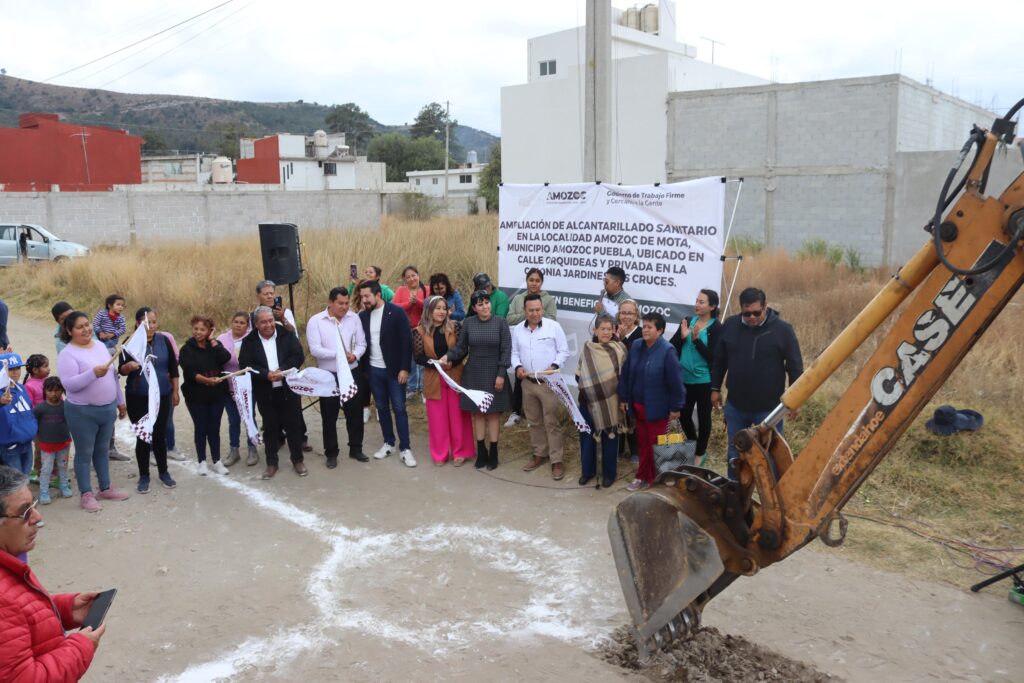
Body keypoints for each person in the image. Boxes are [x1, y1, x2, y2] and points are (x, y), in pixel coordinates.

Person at [0, 466, 105, 680]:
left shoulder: (9, 563)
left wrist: (66, 610)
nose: (37, 517)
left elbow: (18, 619)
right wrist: (79, 648)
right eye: (24, 511)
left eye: (34, 505)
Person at [711, 287, 803, 480]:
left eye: (756, 313)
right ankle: (735, 495)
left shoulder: (782, 330)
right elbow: (719, 359)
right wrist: (715, 388)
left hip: (769, 409)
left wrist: (796, 399)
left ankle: (777, 500)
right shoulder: (730, 325)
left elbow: (795, 366)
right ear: (740, 309)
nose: (751, 317)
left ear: (766, 307)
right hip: (736, 405)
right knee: (735, 454)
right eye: (747, 313)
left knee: (772, 456)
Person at [56, 311, 130, 512]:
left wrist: (120, 400)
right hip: (82, 412)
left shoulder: (99, 345)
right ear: (69, 331)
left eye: (87, 325)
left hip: (106, 410)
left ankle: (105, 488)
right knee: (84, 453)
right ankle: (86, 494)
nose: (86, 329)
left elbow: (113, 375)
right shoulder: (67, 354)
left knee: (102, 450)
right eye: (80, 327)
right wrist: (92, 374)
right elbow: (69, 385)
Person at [442, 290, 512, 470]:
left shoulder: (501, 323)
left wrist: (501, 374)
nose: (485, 306)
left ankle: (494, 452)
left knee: (493, 414)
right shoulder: (469, 323)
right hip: (473, 373)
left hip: (495, 374)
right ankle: (481, 452)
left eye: (487, 302)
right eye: (480, 304)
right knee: (479, 413)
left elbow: (506, 350)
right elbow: (461, 348)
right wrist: (448, 356)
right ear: (474, 308)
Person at [618, 312, 685, 491]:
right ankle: (642, 477)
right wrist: (624, 398)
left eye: (650, 327)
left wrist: (676, 407)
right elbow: (626, 374)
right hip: (638, 408)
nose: (645, 330)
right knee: (643, 445)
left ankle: (656, 482)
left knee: (656, 446)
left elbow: (676, 382)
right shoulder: (637, 345)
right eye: (644, 326)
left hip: (658, 409)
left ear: (660, 330)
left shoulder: (667, 350)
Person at [240, 306, 308, 479]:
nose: (268, 325)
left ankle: (297, 460)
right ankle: (272, 463)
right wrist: (266, 374)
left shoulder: (286, 334)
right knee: (270, 428)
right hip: (265, 391)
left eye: (270, 320)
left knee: (293, 426)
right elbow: (245, 364)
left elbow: (298, 356)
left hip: (288, 389)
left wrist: (282, 370)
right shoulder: (249, 341)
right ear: (256, 324)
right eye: (263, 322)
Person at [118, 308, 179, 493]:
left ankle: (164, 472)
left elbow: (173, 369)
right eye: (147, 322)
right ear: (138, 323)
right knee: (143, 437)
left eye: (153, 322)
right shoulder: (129, 343)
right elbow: (120, 370)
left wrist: (175, 391)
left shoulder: (164, 340)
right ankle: (144, 475)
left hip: (161, 396)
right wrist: (128, 366)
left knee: (160, 435)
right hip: (138, 397)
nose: (151, 326)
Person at [307, 287, 368, 469]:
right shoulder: (316, 321)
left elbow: (362, 343)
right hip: (329, 375)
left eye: (347, 303)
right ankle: (331, 453)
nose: (344, 307)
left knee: (355, 413)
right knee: (329, 415)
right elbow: (315, 349)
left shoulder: (354, 317)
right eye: (340, 303)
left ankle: (356, 448)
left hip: (351, 371)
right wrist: (340, 354)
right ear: (330, 302)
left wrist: (355, 355)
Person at [358, 281, 416, 467]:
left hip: (395, 371)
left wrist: (404, 368)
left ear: (378, 295)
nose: (364, 300)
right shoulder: (362, 317)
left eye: (367, 296)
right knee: (381, 408)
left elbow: (407, 342)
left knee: (399, 408)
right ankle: (388, 443)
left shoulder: (396, 312)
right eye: (361, 296)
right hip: (374, 372)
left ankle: (405, 448)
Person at [511, 294, 570, 480]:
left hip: (548, 384)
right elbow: (514, 353)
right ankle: (539, 454)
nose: (535, 313)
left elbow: (563, 351)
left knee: (551, 422)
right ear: (524, 311)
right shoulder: (518, 329)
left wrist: (553, 367)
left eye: (538, 309)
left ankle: (556, 460)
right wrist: (518, 367)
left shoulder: (554, 327)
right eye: (531, 310)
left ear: (542, 310)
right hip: (527, 384)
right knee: (534, 421)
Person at [414, 296, 474, 466]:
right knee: (437, 417)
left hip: (455, 374)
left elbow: (462, 349)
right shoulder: (419, 331)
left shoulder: (455, 327)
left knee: (458, 415)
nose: (441, 312)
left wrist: (451, 362)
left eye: (444, 308)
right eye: (437, 308)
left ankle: (459, 452)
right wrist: (437, 364)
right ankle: (440, 454)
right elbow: (418, 356)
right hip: (434, 377)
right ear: (429, 311)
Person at [252, 280, 310, 452]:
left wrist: (283, 318)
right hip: (267, 366)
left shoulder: (285, 312)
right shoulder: (254, 315)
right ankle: (277, 437)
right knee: (270, 405)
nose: (270, 296)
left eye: (272, 293)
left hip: (286, 362)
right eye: (266, 293)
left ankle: (300, 437)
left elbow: (294, 334)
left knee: (293, 404)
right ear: (259, 296)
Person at [669, 289, 721, 466]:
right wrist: (683, 338)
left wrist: (697, 340)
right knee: (683, 416)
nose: (697, 305)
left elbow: (714, 358)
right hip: (684, 379)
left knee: (704, 417)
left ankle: (700, 453)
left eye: (702, 302)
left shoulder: (716, 327)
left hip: (704, 381)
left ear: (712, 306)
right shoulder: (687, 321)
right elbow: (672, 347)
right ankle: (693, 444)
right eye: (697, 301)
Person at [576, 315, 627, 488]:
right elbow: (579, 372)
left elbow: (624, 377)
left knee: (610, 437)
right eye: (602, 329)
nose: (606, 332)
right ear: (595, 330)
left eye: (609, 329)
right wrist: (588, 388)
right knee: (586, 437)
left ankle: (609, 474)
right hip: (588, 401)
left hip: (611, 401)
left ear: (614, 330)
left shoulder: (619, 349)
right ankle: (587, 471)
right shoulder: (587, 347)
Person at [178, 315, 231, 477]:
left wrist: (214, 341)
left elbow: (225, 358)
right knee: (201, 428)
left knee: (214, 428)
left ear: (209, 331)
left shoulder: (215, 345)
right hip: (196, 396)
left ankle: (217, 461)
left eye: (203, 329)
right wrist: (207, 380)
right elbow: (191, 373)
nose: (198, 332)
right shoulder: (186, 349)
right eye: (196, 329)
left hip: (217, 395)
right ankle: (201, 461)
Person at [505, 268, 558, 427]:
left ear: (541, 283)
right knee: (520, 378)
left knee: (538, 380)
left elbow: (553, 320)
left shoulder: (548, 300)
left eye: (537, 280)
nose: (534, 283)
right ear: (526, 281)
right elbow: (509, 319)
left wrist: (534, 312)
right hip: (522, 343)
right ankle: (516, 412)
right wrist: (527, 313)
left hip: (541, 345)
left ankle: (535, 416)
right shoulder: (518, 298)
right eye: (531, 280)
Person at [217, 312, 259, 467]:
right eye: (236, 321)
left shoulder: (252, 339)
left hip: (247, 387)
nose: (238, 325)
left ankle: (252, 448)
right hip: (228, 387)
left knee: (249, 417)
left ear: (247, 325)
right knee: (233, 420)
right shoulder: (221, 339)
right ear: (231, 322)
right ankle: (234, 450)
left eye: (242, 323)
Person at [33, 377, 73, 504]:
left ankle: (64, 486)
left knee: (63, 466)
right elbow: (35, 426)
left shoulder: (66, 406)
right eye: (50, 391)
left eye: (57, 390)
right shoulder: (40, 408)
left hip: (63, 443)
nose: (54, 394)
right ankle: (44, 492)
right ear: (45, 391)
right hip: (46, 445)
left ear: (62, 390)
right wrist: (37, 441)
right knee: (46, 469)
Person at [393, 265, 430, 397]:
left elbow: (432, 305)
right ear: (404, 279)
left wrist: (418, 302)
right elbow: (394, 306)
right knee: (409, 359)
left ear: (418, 275)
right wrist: (409, 303)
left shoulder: (427, 289)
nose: (411, 278)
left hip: (424, 330)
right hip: (405, 330)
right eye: (408, 277)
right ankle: (412, 387)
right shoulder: (401, 290)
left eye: (413, 275)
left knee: (423, 360)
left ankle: (424, 389)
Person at [0, 353, 37, 475]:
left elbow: (30, 411)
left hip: (27, 443)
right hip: (10, 447)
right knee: (15, 484)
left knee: (25, 478)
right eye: (10, 369)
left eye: (17, 368)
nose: (15, 372)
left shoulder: (22, 388)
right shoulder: (1, 393)